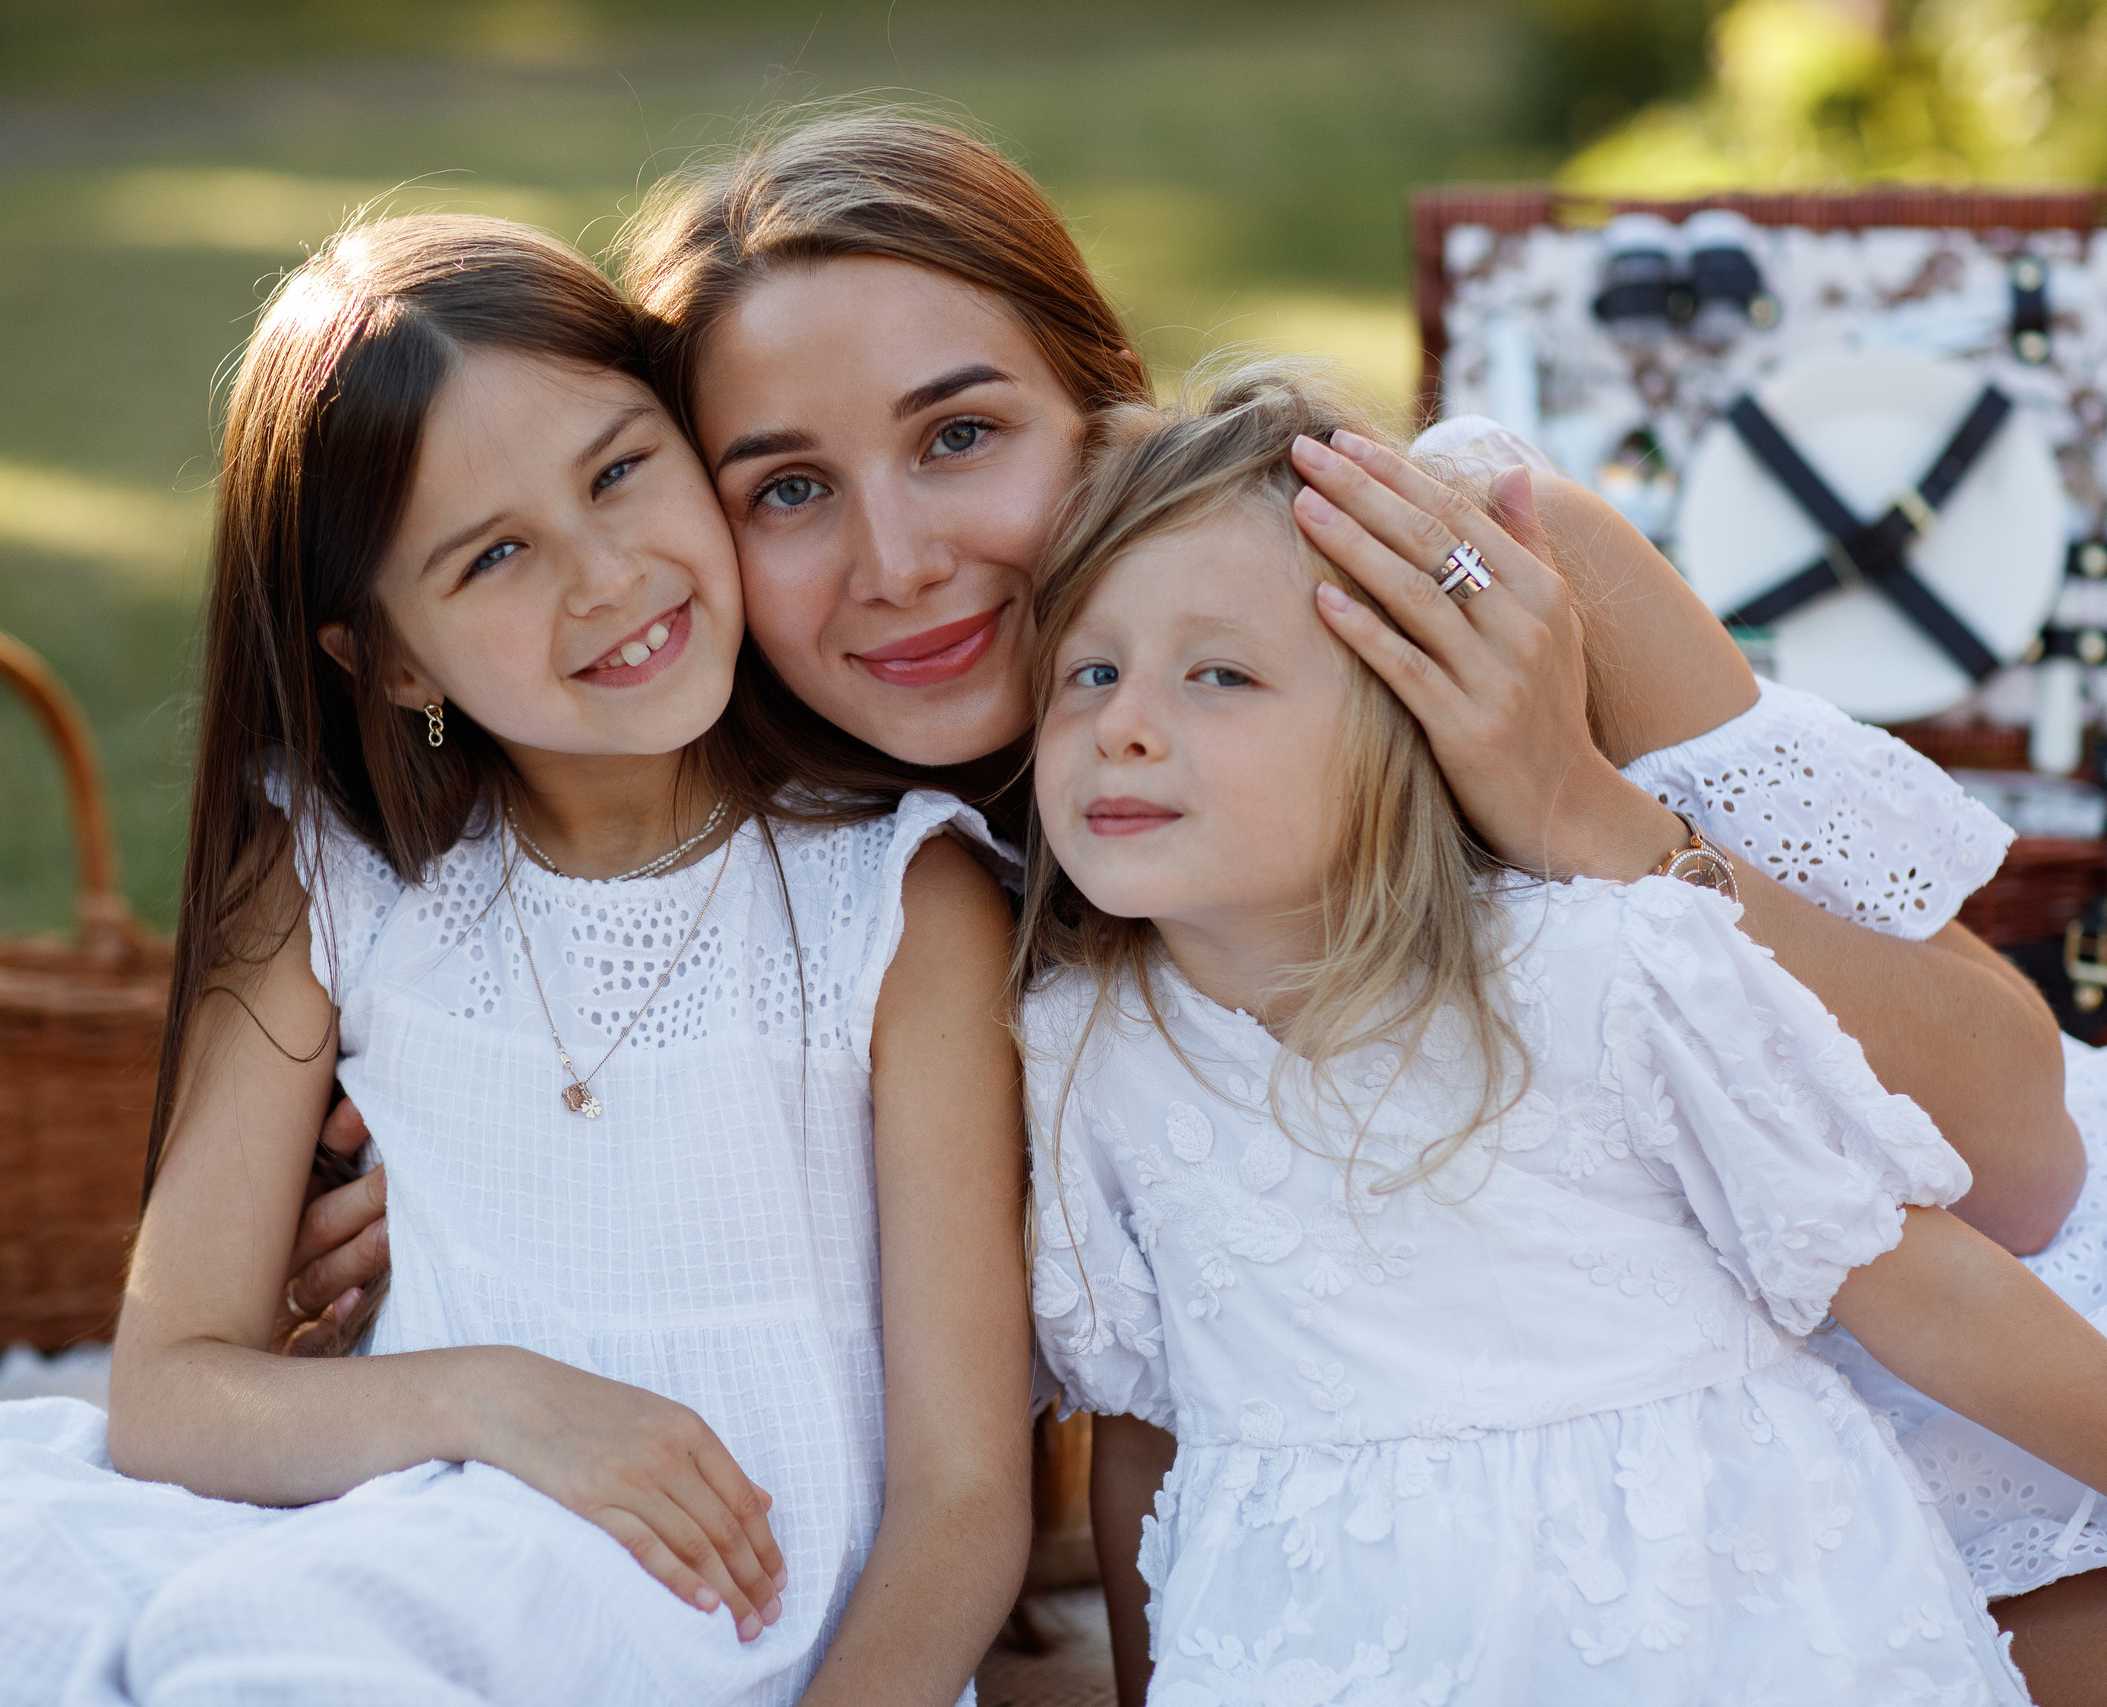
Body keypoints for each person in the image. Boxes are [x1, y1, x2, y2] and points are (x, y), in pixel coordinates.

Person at [283, 107, 2104, 1701]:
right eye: (788, 489)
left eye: (960, 435)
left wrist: (1566, 805)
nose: (900, 560)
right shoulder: (803, 855)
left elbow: (2019, 1162)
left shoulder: (1450, 563)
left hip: (1912, 1359)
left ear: (1102, 402)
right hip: (1402, 1484)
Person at [0, 213, 1030, 1707]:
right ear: (392, 658)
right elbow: (168, 1389)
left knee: (256, 1655)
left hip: (710, 1609)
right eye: (494, 556)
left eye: (620, 470)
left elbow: (962, 1497)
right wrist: (498, 1400)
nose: (607, 576)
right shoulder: (340, 886)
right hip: (415, 1536)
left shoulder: (897, 904)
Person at [1022, 362, 2107, 1704]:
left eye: (1222, 677)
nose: (1123, 728)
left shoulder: (1598, 968)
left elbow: (1918, 1282)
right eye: (1090, 673)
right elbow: (1146, 1424)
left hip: (1719, 1630)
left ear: (1402, 728)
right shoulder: (1088, 1050)